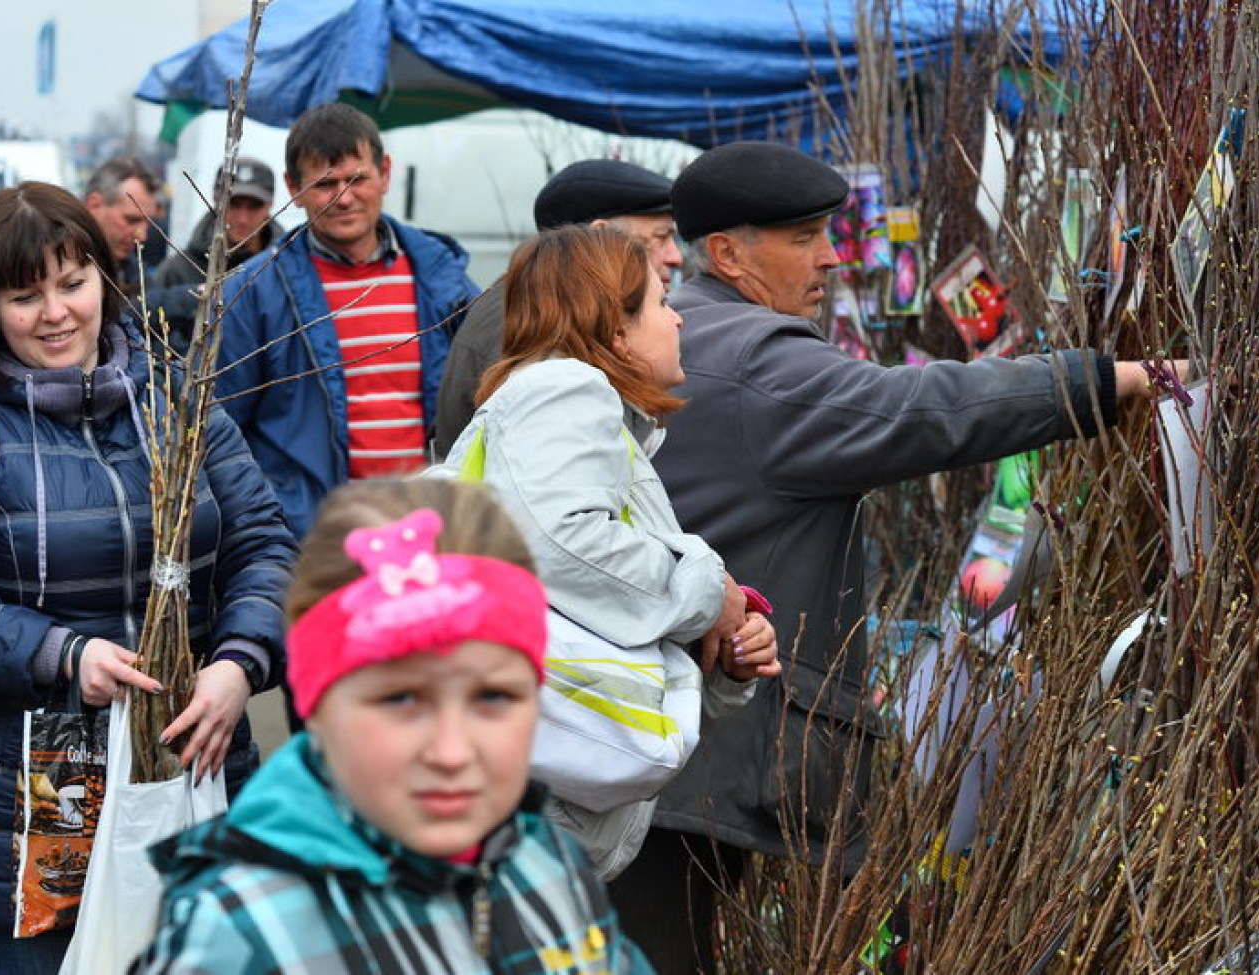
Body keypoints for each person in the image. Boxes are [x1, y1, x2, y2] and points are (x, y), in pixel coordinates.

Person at [608, 140, 1187, 973]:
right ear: (729, 252)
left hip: (660, 730)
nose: (833, 256)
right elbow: (921, 409)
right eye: (804, 237)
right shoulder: (754, 359)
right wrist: (1105, 380)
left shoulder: (681, 334)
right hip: (703, 753)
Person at [132, 477, 655, 974]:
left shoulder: (548, 864)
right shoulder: (239, 933)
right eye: (401, 700)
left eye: (493, 697)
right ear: (319, 710)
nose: (452, 751)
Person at [0, 182, 296, 973]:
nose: (55, 312)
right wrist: (59, 653)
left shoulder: (177, 397)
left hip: (193, 751)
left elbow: (264, 542)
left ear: (104, 277)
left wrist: (238, 665)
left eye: (72, 283)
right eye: (24, 296)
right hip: (40, 780)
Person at [432, 225, 780, 878]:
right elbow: (563, 543)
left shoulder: (574, 413)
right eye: (659, 300)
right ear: (615, 332)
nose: (677, 316)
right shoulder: (566, 389)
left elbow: (592, 620)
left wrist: (726, 652)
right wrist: (710, 594)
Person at [216, 103, 480, 541]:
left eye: (356, 179)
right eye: (325, 184)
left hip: (430, 535)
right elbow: (220, 431)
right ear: (293, 189)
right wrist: (271, 525)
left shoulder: (442, 278)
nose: (344, 197)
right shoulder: (252, 292)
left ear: (385, 173)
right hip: (316, 544)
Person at [433, 158, 683, 455]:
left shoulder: (544, 308)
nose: (675, 256)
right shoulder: (529, 320)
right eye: (661, 237)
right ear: (600, 234)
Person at [153, 157, 281, 352]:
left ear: (270, 205)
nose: (242, 217)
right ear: (215, 200)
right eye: (233, 204)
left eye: (254, 206)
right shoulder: (177, 270)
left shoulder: (285, 269)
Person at [83, 156, 198, 344]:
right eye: (131, 220)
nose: (142, 236)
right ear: (95, 204)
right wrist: (185, 299)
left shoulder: (133, 270)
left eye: (148, 223)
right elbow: (109, 323)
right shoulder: (59, 263)